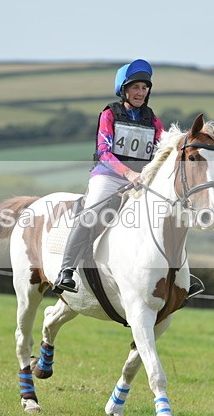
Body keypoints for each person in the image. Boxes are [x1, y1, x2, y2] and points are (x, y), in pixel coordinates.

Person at [53, 59, 163, 293]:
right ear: (124, 89)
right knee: (91, 212)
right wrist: (128, 172)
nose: (141, 93)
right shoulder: (109, 114)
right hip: (109, 176)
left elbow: (164, 146)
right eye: (135, 87)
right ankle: (66, 270)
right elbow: (104, 152)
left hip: (141, 179)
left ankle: (177, 275)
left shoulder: (152, 118)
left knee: (168, 214)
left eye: (144, 88)